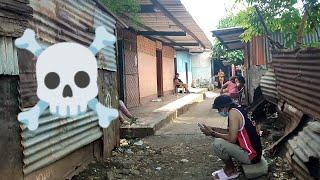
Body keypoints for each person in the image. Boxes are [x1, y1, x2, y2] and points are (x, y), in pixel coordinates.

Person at [200, 95, 262, 179]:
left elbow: (232, 139)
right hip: (255, 152)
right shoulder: (238, 110)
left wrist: (212, 133)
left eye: (219, 109)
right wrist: (214, 129)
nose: (219, 112)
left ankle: (231, 170)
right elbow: (231, 131)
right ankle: (229, 168)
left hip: (251, 156)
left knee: (218, 144)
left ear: (225, 107)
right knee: (220, 140)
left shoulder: (233, 113)